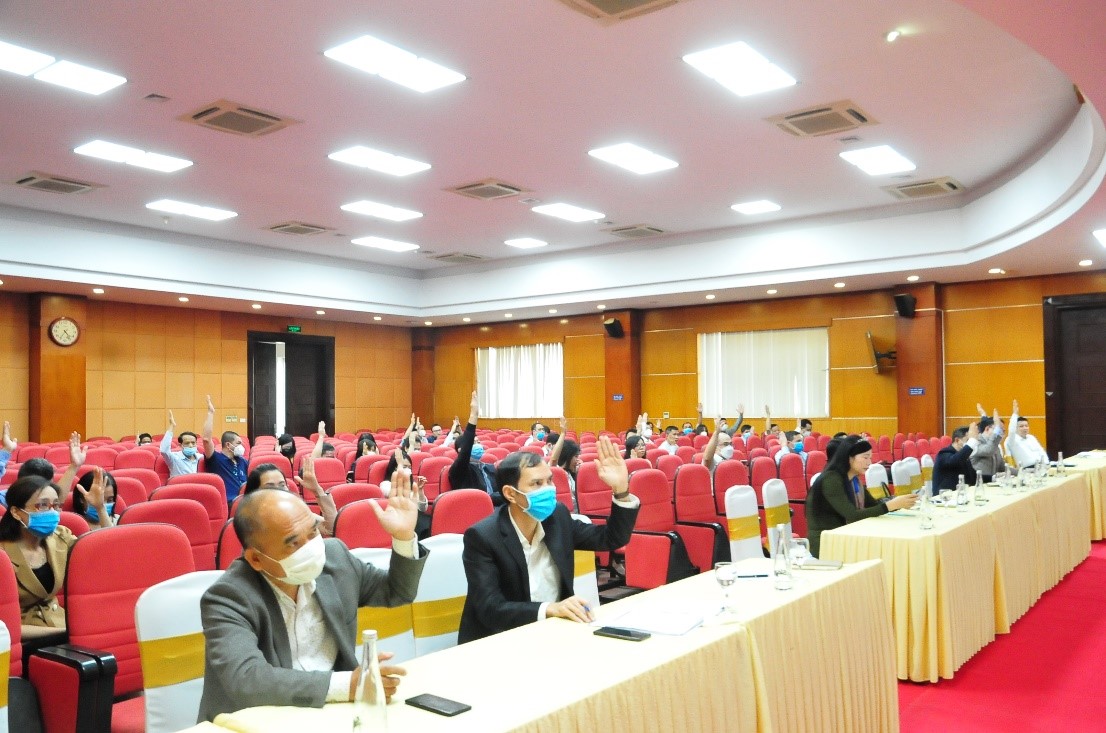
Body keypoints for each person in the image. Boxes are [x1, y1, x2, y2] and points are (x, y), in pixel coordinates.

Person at [197, 476, 428, 721]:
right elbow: (247, 679)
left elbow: (398, 591)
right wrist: (348, 685)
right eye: (294, 543)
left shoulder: (335, 557)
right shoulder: (227, 597)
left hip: (334, 713)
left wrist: (403, 537)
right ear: (256, 559)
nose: (311, 547)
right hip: (256, 720)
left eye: (313, 532)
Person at [458, 436, 640, 644]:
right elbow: (490, 608)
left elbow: (611, 539)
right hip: (501, 639)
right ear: (510, 494)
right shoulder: (483, 536)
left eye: (550, 480)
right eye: (537, 483)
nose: (548, 489)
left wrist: (621, 491)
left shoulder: (556, 517)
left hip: (554, 631)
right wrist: (549, 609)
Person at [0, 471, 108, 627]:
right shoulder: (2, 553)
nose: (52, 512)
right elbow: (6, 626)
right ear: (16, 512)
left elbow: (105, 555)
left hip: (59, 622)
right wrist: (67, 633)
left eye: (56, 506)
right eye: (42, 505)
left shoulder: (60, 537)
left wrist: (100, 508)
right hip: (19, 633)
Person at [805, 436, 917, 558]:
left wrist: (900, 502)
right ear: (849, 457)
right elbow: (852, 515)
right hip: (827, 543)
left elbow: (874, 505)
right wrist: (891, 505)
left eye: (870, 458)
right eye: (865, 457)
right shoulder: (831, 479)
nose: (869, 462)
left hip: (848, 536)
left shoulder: (853, 479)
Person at [244, 460, 338, 536]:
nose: (279, 490)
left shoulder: (297, 512)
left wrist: (317, 490)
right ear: (254, 493)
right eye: (270, 486)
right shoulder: (250, 521)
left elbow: (331, 529)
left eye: (282, 485)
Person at [1, 430, 84, 509]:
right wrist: (6, 451)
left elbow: (58, 498)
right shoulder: (3, 499)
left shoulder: (50, 507)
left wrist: (74, 467)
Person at [447, 392, 501, 504]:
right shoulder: (459, 470)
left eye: (478, 442)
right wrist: (473, 416)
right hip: (473, 508)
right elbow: (466, 447)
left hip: (496, 507)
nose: (478, 445)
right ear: (461, 450)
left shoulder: (489, 467)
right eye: (473, 443)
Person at [202, 395, 249, 506]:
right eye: (238, 443)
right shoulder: (216, 459)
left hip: (246, 501)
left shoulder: (242, 461)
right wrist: (210, 413)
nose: (241, 447)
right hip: (228, 503)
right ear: (228, 445)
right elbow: (206, 440)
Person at [932, 424, 980, 494]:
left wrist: (994, 477)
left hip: (962, 494)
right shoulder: (944, 453)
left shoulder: (964, 456)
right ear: (957, 440)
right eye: (967, 440)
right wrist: (972, 441)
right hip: (944, 497)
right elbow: (956, 461)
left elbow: (974, 477)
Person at [1004, 400, 1049, 469]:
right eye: (1021, 426)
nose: (1025, 428)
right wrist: (1015, 414)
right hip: (1027, 469)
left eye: (1026, 426)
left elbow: (1041, 451)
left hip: (1042, 466)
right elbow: (1011, 431)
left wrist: (1047, 463)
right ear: (1016, 428)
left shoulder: (1031, 437)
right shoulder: (1012, 440)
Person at [160, 410, 201, 478]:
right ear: (180, 445)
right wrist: (172, 426)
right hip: (179, 484)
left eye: (193, 443)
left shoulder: (201, 458)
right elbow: (164, 450)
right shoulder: (174, 458)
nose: (191, 445)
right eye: (187, 443)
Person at [969, 417, 1005, 482]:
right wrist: (997, 430)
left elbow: (1002, 467)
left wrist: (1021, 471)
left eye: (1003, 431)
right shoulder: (976, 442)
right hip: (977, 483)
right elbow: (989, 450)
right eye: (999, 430)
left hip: (991, 483)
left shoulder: (995, 446)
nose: (1001, 434)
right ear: (987, 429)